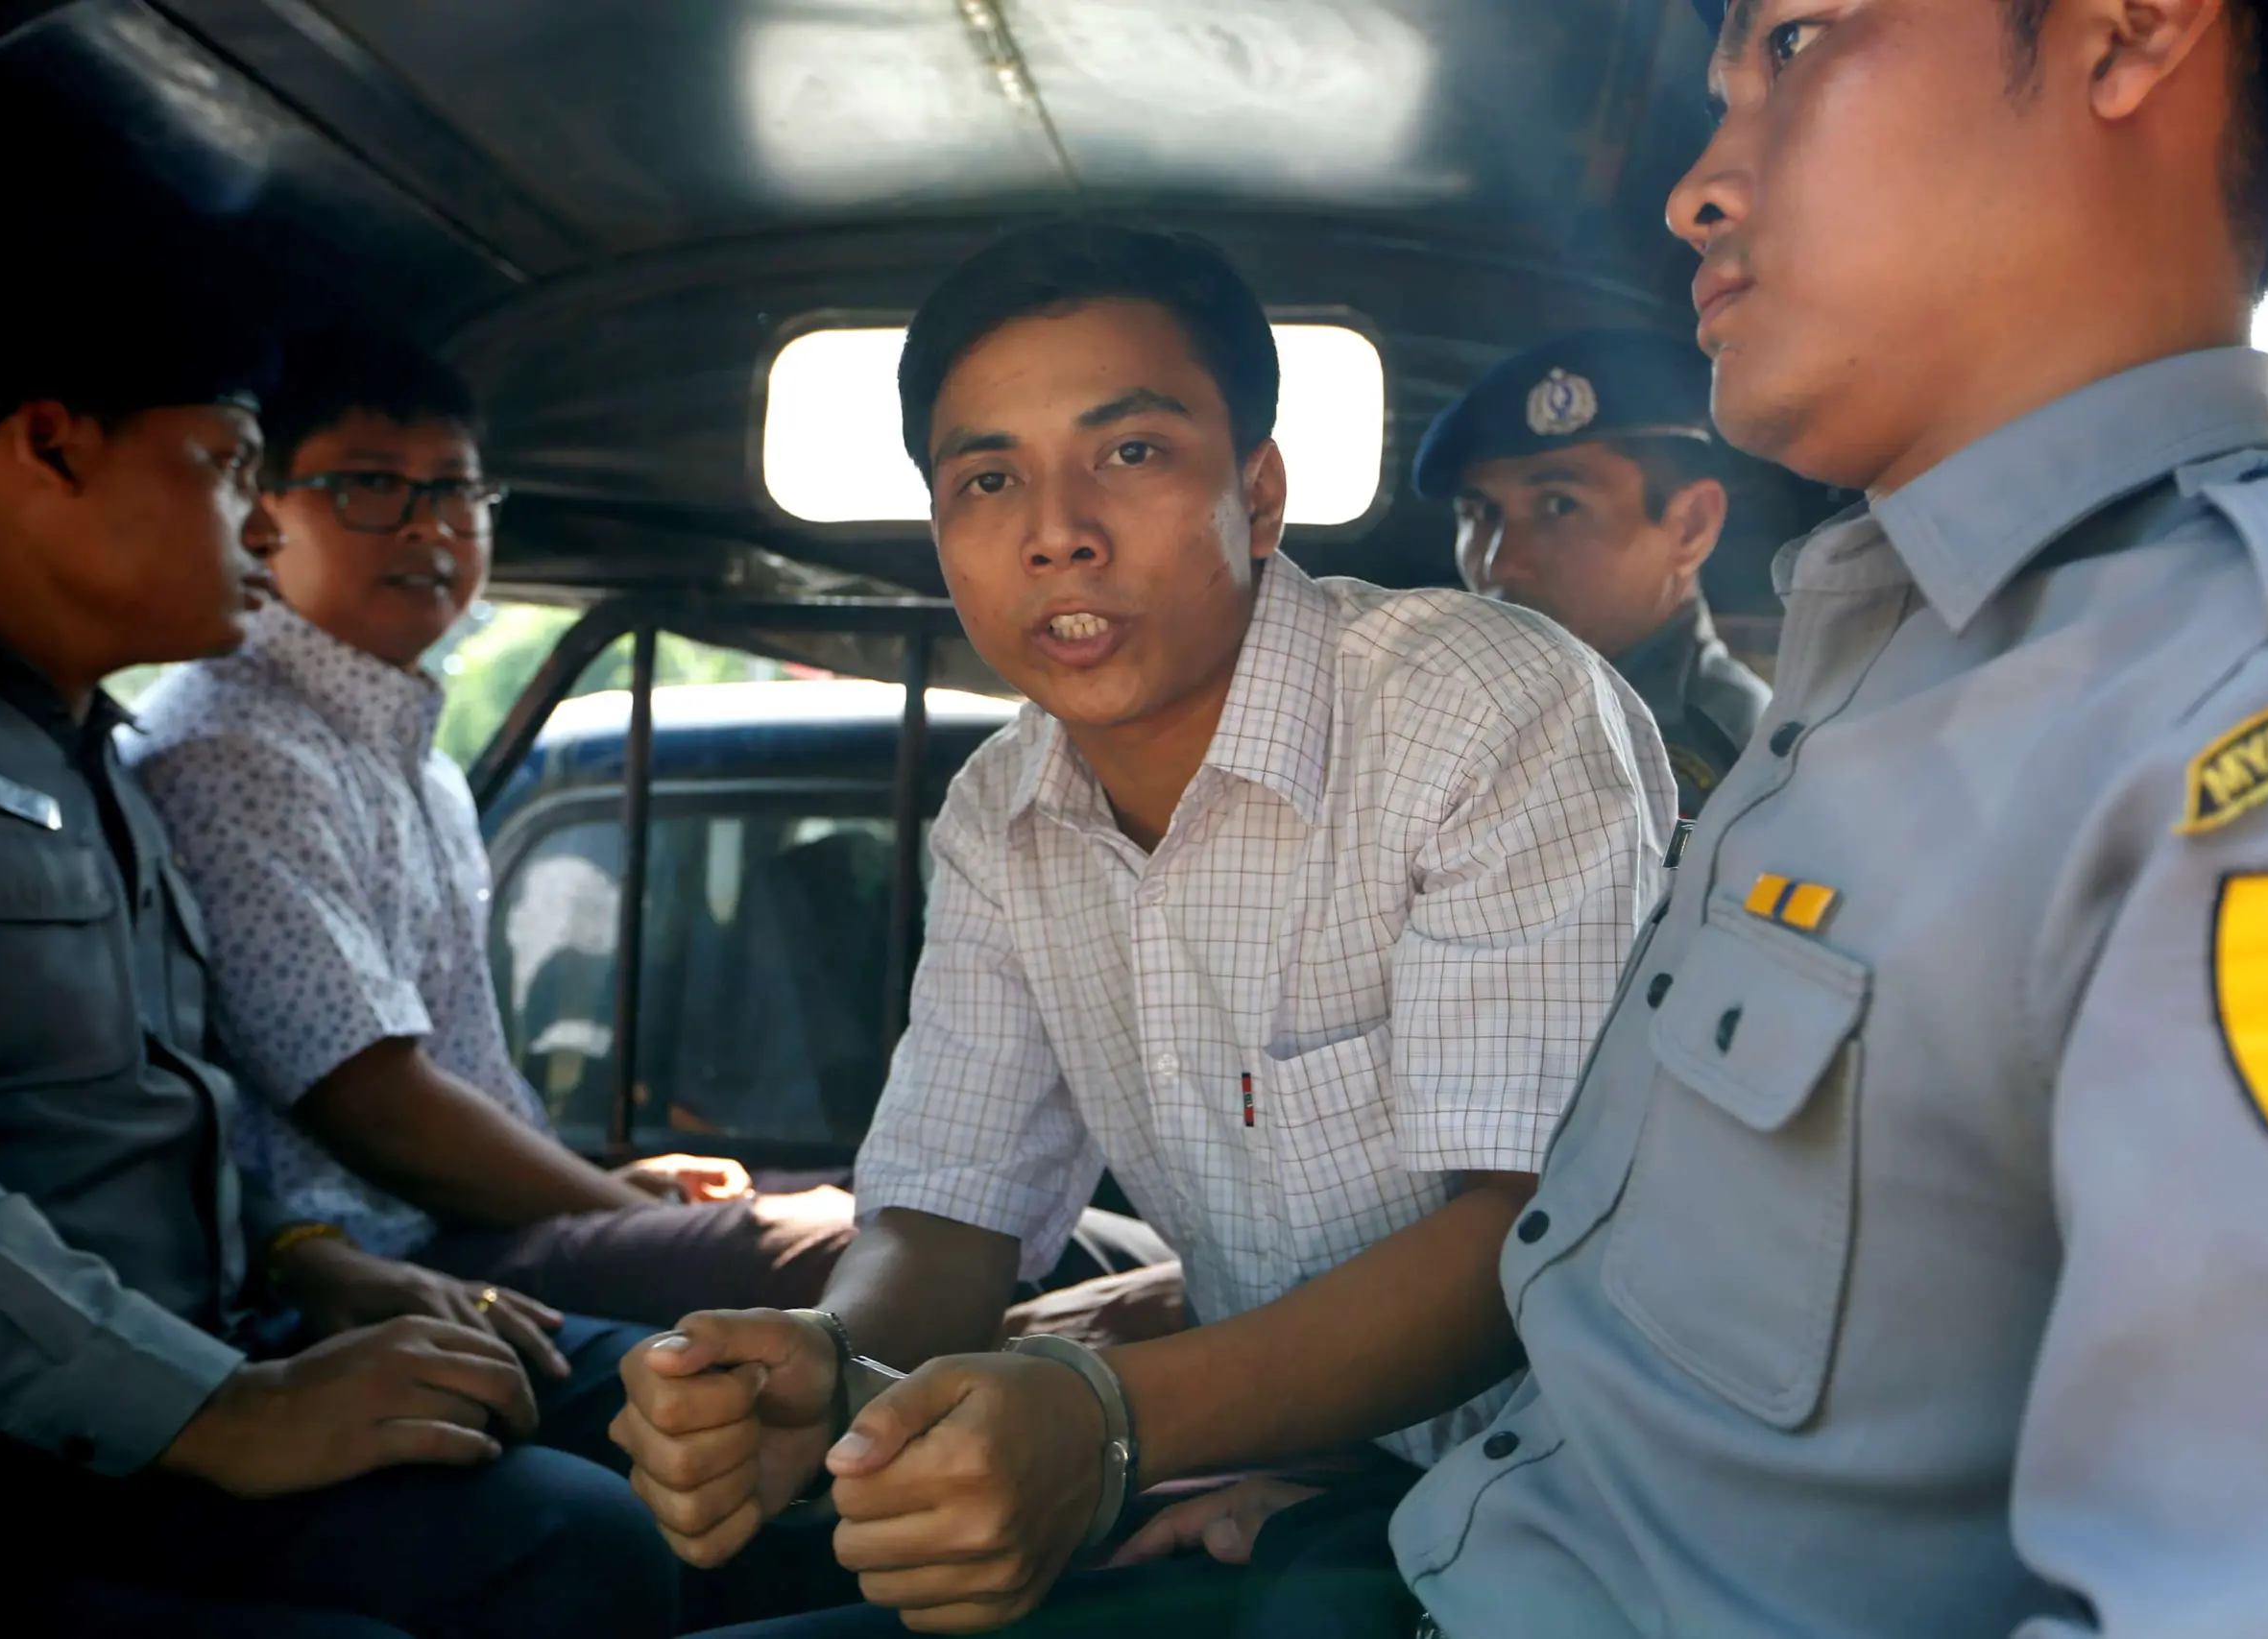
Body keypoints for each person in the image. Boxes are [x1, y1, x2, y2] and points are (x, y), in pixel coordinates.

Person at [1386, 1, 2268, 1636]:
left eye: (1798, 41)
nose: (1697, 186)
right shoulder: (1879, 650)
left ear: (2126, 32)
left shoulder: (2258, 728)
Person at [615, 222, 1677, 1638]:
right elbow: (946, 1211)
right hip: (1305, 1468)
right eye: (987, 477)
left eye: (1129, 453)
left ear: (1260, 493)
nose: (1056, 527)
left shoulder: (1482, 710)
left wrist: (1109, 1418)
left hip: (1590, 1512)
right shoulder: (1002, 812)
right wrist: (830, 1368)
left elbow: (1521, 1231)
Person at [0, 275, 675, 1638]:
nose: (261, 517)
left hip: (211, 1336)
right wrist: (210, 1403)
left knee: (678, 1404)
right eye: (228, 465)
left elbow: (147, 1111)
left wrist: (307, 1253)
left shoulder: (90, 755)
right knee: (571, 1540)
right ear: (52, 446)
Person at [128, 331, 1175, 1338]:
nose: (426, 527)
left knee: (1009, 1233)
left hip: (480, 1227)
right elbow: (373, 1103)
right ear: (261, 509)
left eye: (454, 491)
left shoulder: (400, 752)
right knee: (896, 1257)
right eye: (368, 485)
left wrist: (608, 1195)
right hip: (387, 1267)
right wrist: (613, 1210)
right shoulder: (237, 750)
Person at [1414, 327, 1772, 813]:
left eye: (1560, 506)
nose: (1500, 561)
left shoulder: (1744, 759)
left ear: (1690, 525)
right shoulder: (1445, 709)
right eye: (1480, 513)